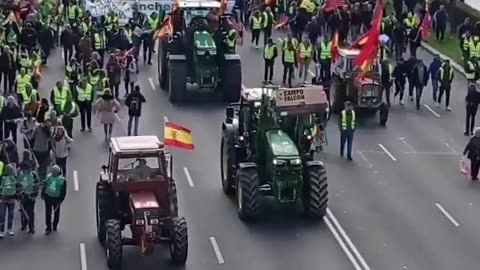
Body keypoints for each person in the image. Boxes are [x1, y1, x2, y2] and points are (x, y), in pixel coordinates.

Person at [42, 165, 66, 234]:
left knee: (48, 213)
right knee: (56, 212)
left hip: (49, 197)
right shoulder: (62, 180)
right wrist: (62, 199)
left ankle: (49, 227)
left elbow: (44, 186)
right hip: (56, 198)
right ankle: (54, 225)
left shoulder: (48, 177)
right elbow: (63, 191)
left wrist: (43, 195)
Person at [18, 157, 39, 234]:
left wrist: (35, 193)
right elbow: (17, 185)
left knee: (31, 212)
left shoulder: (33, 174)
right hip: (23, 196)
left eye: (30, 168)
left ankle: (31, 227)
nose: (30, 170)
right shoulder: (20, 175)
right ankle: (24, 224)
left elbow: (37, 185)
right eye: (28, 169)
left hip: (31, 196)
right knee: (23, 212)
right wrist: (19, 194)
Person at [0, 164, 19, 237]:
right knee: (2, 215)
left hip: (11, 198)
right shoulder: (2, 178)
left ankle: (9, 229)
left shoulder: (14, 178)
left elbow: (17, 187)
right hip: (3, 199)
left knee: (11, 214)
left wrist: (17, 196)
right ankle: (1, 230)